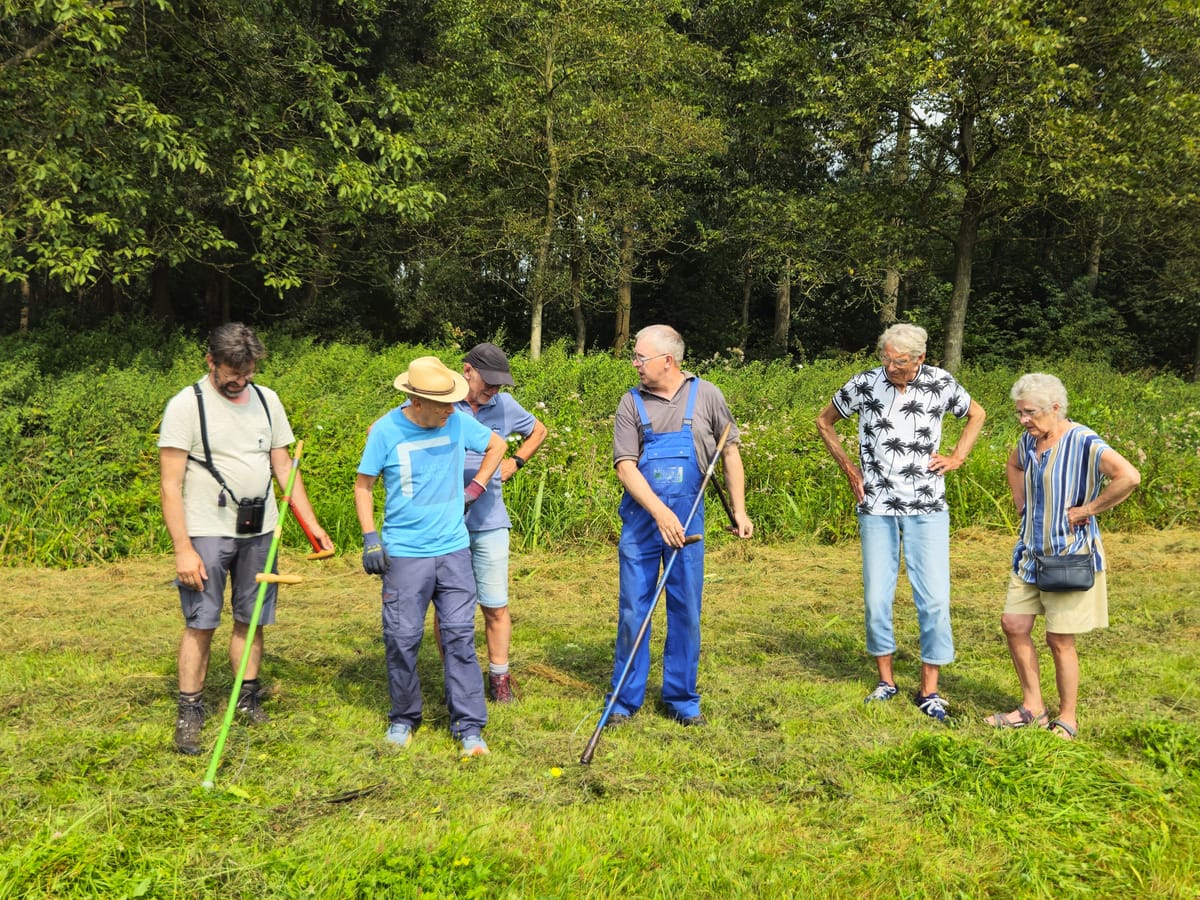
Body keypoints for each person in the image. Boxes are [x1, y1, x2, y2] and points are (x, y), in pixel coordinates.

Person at [159, 322, 332, 756]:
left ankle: (245, 699)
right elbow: (169, 484)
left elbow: (284, 467)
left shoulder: (267, 400)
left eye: (248, 372)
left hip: (261, 531)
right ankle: (190, 710)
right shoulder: (186, 405)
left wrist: (312, 526)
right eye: (232, 373)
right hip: (206, 531)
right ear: (210, 361)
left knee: (251, 618)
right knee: (202, 621)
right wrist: (183, 548)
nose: (241, 381)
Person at [816, 323, 986, 721]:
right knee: (877, 598)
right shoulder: (864, 384)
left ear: (920, 359)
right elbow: (825, 422)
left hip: (928, 505)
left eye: (900, 361)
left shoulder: (941, 383)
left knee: (934, 599)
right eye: (886, 358)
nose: (891, 366)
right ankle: (886, 681)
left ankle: (930, 689)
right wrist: (849, 469)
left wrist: (958, 456)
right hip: (876, 505)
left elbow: (976, 413)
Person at [354, 355, 507, 757]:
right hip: (405, 554)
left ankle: (469, 728)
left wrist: (475, 488)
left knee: (458, 637)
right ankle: (404, 719)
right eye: (441, 403)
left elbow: (497, 445)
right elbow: (363, 486)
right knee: (402, 639)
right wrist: (371, 537)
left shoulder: (456, 421)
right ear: (416, 401)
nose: (449, 409)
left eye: (450, 401)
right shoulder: (385, 431)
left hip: (454, 550)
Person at [606, 324, 753, 727]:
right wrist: (659, 513)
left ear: (667, 361)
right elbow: (625, 466)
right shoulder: (630, 402)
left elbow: (730, 452)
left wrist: (738, 510)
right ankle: (622, 700)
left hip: (689, 522)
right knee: (634, 610)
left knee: (686, 610)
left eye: (640, 357)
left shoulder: (707, 395)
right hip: (643, 521)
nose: (634, 363)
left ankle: (681, 699)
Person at [986, 373, 1140, 740]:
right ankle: (1033, 708)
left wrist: (1089, 508)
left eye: (1030, 412)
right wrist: (1020, 502)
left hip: (1068, 556)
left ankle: (1067, 717)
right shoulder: (1029, 441)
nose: (1023, 420)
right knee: (1014, 624)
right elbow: (1014, 466)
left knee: (1059, 640)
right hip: (1029, 553)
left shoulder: (1083, 440)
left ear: (1055, 408)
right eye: (1019, 413)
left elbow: (1128, 477)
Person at [455, 343, 547, 702]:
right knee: (450, 607)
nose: (493, 389)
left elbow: (539, 431)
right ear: (467, 371)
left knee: (495, 603)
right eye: (488, 382)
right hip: (445, 523)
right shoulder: (441, 401)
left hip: (490, 519)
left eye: (499, 384)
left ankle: (499, 679)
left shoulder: (505, 406)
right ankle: (455, 677)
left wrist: (517, 462)